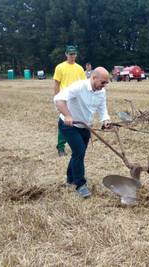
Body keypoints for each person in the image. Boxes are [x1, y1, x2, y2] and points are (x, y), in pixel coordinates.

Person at [54, 67, 111, 198]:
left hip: (85, 126)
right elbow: (59, 99)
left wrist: (105, 120)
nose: (104, 85)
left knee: (78, 153)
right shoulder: (79, 87)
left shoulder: (101, 92)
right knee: (79, 152)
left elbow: (102, 108)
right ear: (94, 78)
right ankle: (80, 184)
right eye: (103, 82)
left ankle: (70, 178)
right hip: (69, 125)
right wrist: (67, 115)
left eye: (106, 83)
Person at [53, 45, 86, 156]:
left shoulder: (80, 68)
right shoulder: (60, 67)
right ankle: (61, 147)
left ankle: (77, 145)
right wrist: (57, 98)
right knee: (64, 122)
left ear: (76, 54)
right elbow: (56, 84)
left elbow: (83, 85)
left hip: (76, 99)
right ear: (66, 54)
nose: (72, 56)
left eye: (74, 54)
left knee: (77, 122)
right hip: (64, 99)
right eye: (70, 54)